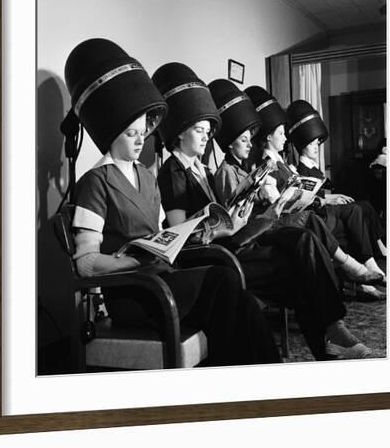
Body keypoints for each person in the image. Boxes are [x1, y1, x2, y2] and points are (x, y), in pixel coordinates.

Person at [64, 38, 280, 367]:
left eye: (142, 133)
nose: (139, 141)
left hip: (164, 277)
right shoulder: (94, 182)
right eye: (130, 134)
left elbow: (164, 232)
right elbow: (87, 264)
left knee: (245, 303)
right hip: (135, 292)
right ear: (110, 132)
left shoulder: (148, 178)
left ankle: (264, 387)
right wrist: (135, 263)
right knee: (223, 284)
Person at [154, 68, 373, 360]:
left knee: (303, 243)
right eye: (199, 131)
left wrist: (240, 213)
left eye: (209, 131)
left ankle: (332, 337)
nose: (207, 137)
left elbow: (222, 216)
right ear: (180, 132)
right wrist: (223, 226)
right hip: (216, 257)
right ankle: (331, 340)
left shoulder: (203, 171)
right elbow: (180, 234)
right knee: (301, 261)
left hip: (232, 243)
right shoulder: (173, 173)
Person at [245, 86, 384, 288]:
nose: (286, 138)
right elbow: (275, 203)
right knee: (347, 214)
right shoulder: (265, 165)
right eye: (282, 133)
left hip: (302, 212)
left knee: (353, 212)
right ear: (268, 137)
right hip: (290, 219)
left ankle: (363, 275)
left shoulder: (281, 163)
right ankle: (359, 273)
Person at [286, 99, 387, 299]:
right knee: (356, 210)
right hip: (315, 213)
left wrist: (332, 196)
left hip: (320, 208)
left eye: (317, 144)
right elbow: (308, 196)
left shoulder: (311, 168)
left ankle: (370, 265)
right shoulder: (299, 169)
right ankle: (368, 266)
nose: (317, 148)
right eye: (313, 144)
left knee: (361, 207)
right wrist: (329, 198)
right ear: (303, 144)